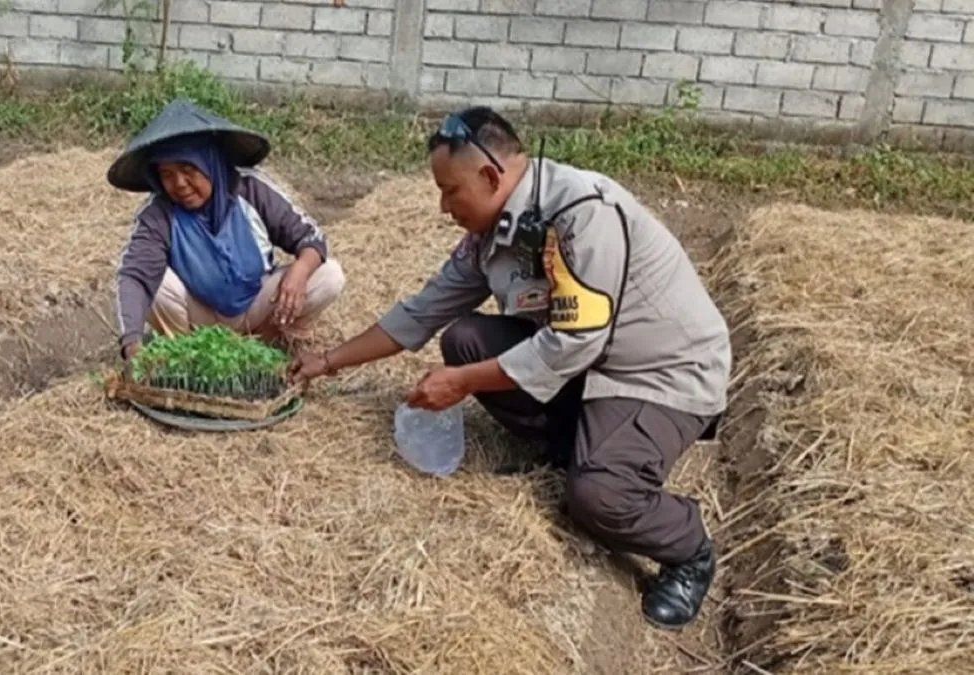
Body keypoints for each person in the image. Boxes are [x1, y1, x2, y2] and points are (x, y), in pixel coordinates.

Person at [289, 106, 732, 630]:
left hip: (658, 374)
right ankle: (573, 445)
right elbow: (423, 311)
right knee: (466, 339)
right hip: (589, 367)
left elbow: (575, 343)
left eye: (450, 190)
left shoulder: (581, 215)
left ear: (491, 176)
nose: (442, 205)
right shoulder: (492, 232)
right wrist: (324, 362)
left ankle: (688, 549)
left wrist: (462, 383)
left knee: (597, 498)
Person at [107, 98, 345, 363]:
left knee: (328, 275)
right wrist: (131, 344)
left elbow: (311, 238)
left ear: (210, 163)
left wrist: (299, 272)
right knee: (151, 280)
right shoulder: (159, 213)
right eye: (167, 174)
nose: (179, 184)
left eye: (189, 169)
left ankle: (272, 342)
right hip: (197, 314)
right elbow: (134, 276)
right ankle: (187, 356)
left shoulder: (250, 189)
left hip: (258, 304)